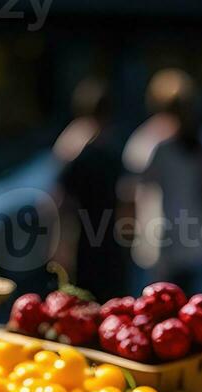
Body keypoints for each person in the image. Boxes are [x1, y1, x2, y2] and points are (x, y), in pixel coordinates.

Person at [122, 69, 202, 293]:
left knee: (161, 302)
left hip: (161, 235)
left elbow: (130, 190)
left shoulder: (150, 141)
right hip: (189, 233)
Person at [52, 79, 130, 301]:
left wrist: (60, 246)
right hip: (106, 239)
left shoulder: (72, 146)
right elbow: (125, 196)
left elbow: (60, 200)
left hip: (85, 240)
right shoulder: (109, 148)